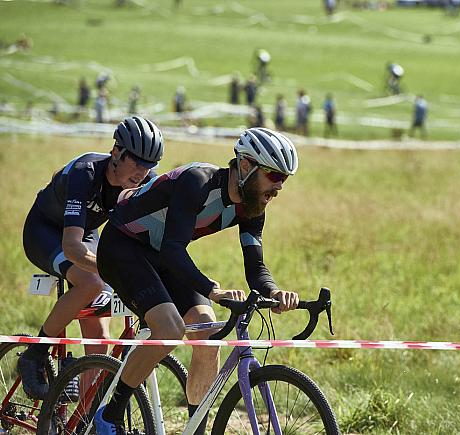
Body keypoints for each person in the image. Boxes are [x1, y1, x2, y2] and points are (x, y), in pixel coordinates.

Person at [93, 128, 300, 435]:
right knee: (169, 329)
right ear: (245, 166)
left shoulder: (253, 206)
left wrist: (274, 292)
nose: (279, 185)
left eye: (284, 178)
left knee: (208, 331)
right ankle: (109, 416)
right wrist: (212, 290)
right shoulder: (197, 181)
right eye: (273, 175)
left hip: (160, 255)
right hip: (122, 247)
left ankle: (195, 429)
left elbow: (255, 266)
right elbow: (173, 250)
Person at [18, 116, 164, 401]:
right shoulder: (85, 173)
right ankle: (34, 354)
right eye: (136, 162)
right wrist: (113, 269)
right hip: (45, 231)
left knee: (99, 340)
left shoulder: (145, 182)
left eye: (149, 165)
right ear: (116, 152)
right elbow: (72, 247)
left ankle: (85, 417)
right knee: (91, 282)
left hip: (84, 232)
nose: (141, 172)